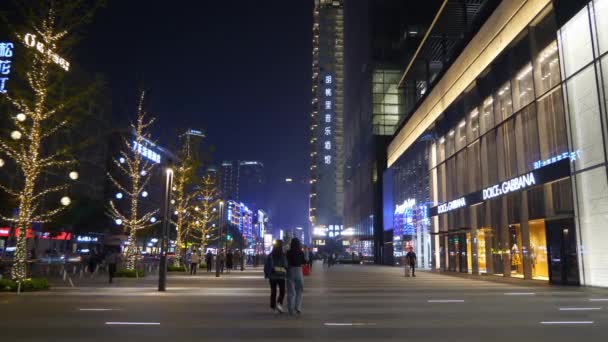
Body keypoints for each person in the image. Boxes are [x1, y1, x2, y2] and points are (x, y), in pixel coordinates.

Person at [264, 240, 288, 313]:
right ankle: (279, 303)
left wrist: (266, 273)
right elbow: (286, 265)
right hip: (281, 276)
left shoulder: (271, 255)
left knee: (273, 291)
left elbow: (266, 265)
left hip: (272, 276)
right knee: (282, 291)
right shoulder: (283, 255)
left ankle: (273, 305)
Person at [286, 238, 306, 316]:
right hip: (299, 270)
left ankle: (290, 309)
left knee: (291, 291)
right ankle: (298, 307)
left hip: (290, 271)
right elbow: (304, 261)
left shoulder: (288, 252)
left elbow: (286, 262)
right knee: (299, 290)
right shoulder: (301, 252)